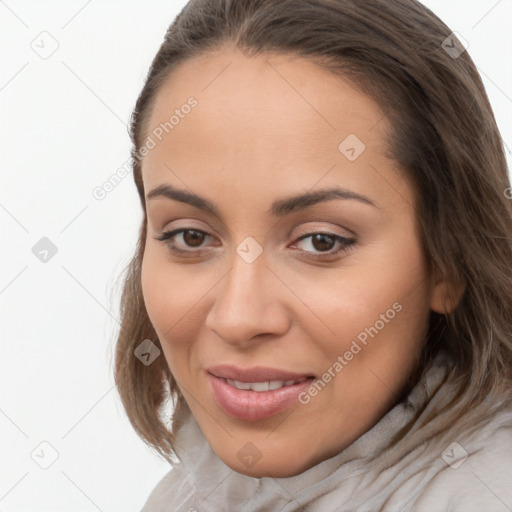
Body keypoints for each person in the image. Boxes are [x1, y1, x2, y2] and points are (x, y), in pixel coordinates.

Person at [113, 0, 512, 510]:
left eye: (321, 241)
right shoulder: (185, 496)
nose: (238, 318)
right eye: (190, 237)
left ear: (448, 259)